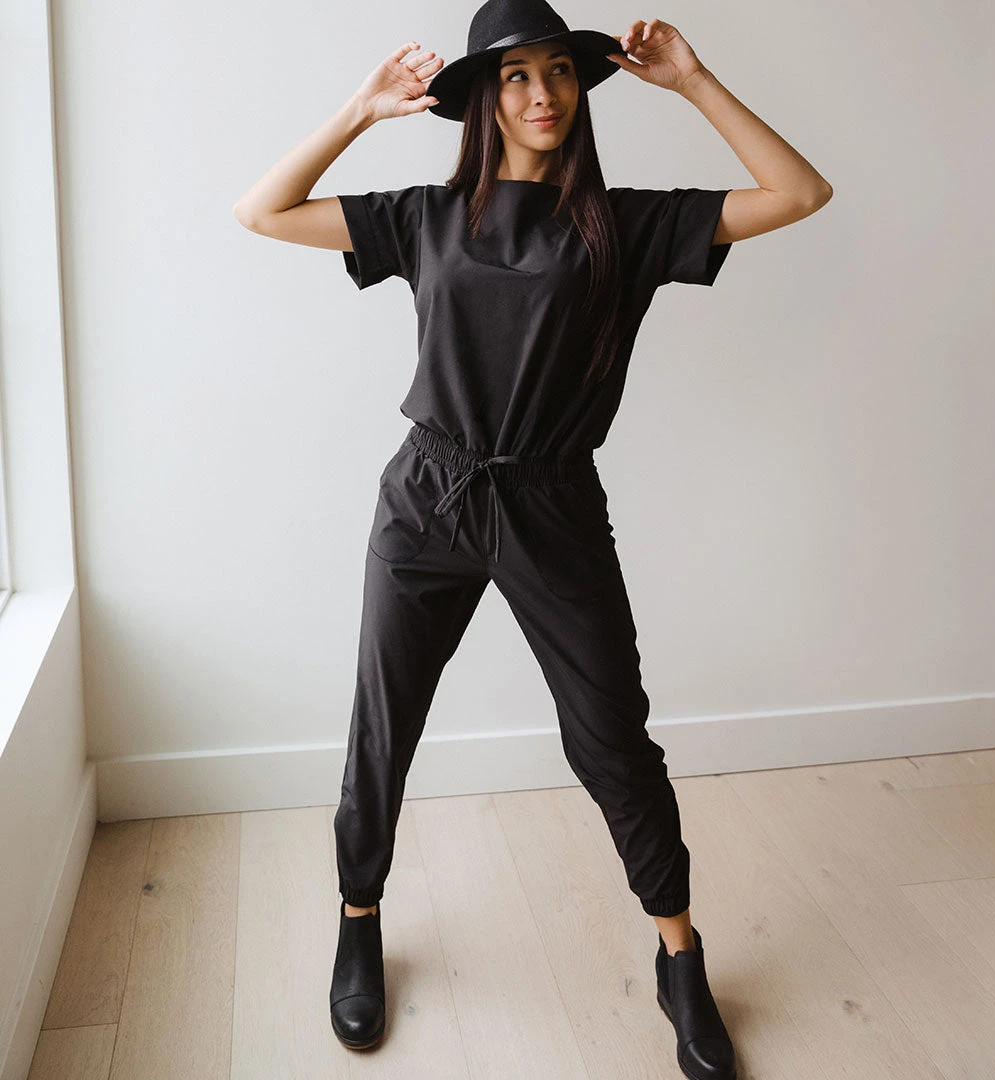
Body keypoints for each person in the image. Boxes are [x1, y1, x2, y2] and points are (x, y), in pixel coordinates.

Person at [233, 0, 831, 1075]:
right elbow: (261, 211)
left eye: (558, 71)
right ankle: (359, 917)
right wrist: (361, 111)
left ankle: (680, 955)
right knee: (384, 722)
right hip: (429, 496)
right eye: (515, 75)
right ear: (482, 100)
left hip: (553, 504)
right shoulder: (425, 217)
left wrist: (693, 82)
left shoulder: (625, 226)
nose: (542, 93)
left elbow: (801, 192)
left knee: (612, 738)